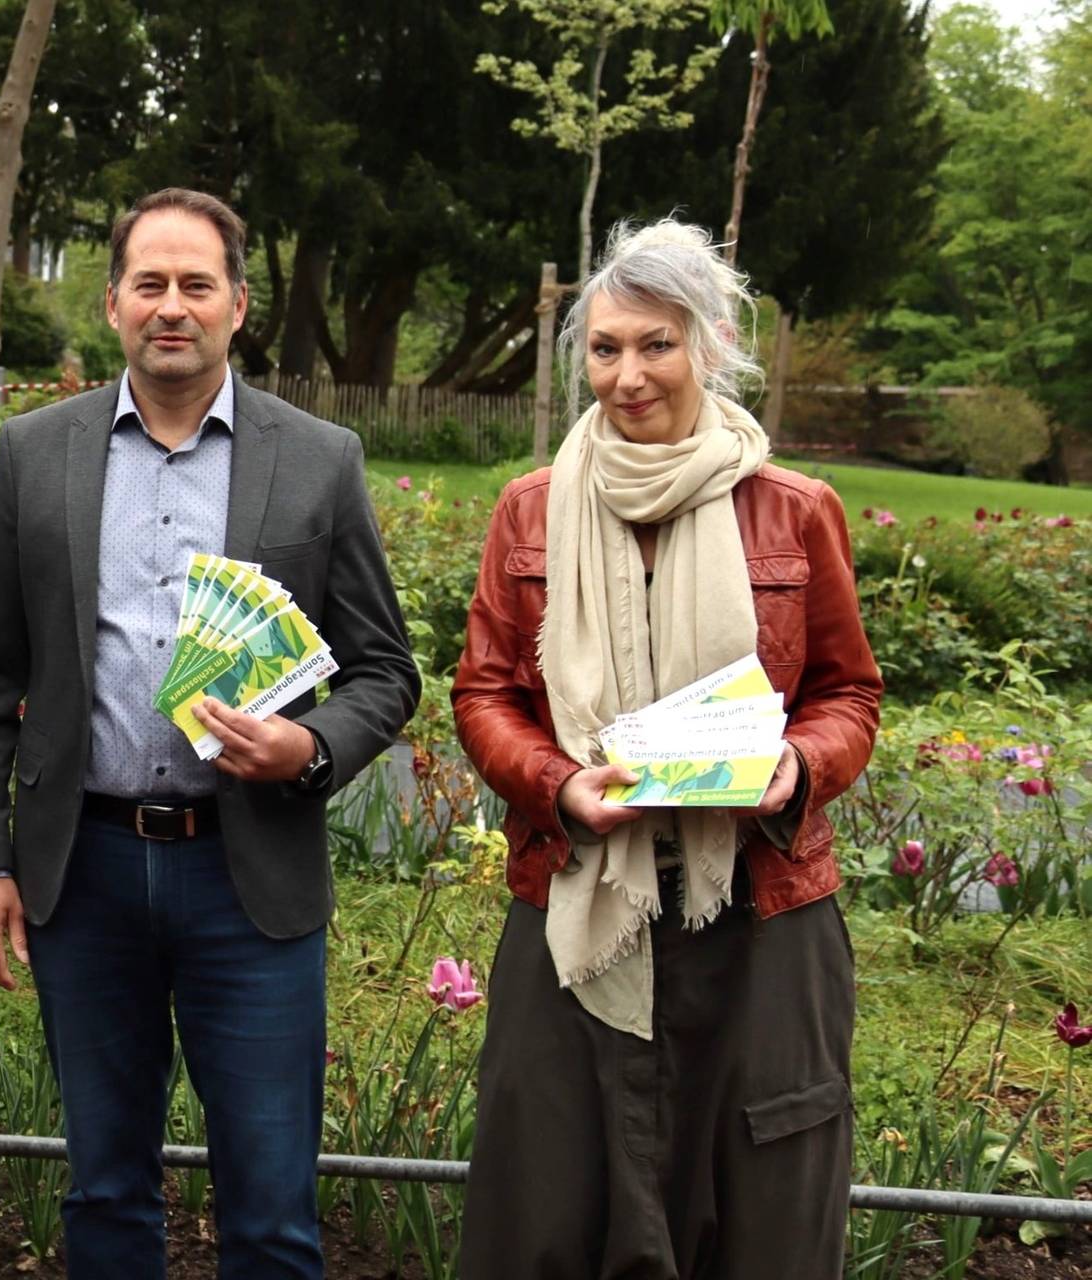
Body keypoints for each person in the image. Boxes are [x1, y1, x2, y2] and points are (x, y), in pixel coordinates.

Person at [0, 188, 419, 1278]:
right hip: (86, 869)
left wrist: (314, 747)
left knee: (271, 1204)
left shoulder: (319, 459)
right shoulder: (34, 452)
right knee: (105, 1189)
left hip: (247, 875)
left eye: (196, 284)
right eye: (148, 283)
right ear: (111, 303)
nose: (172, 306)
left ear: (238, 305)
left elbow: (386, 668)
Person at [450, 220, 881, 1278]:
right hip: (578, 895)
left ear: (710, 343)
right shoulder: (532, 511)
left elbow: (847, 690)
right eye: (605, 347)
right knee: (551, 1199)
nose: (628, 374)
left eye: (656, 344)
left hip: (758, 905)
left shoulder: (793, 510)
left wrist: (800, 766)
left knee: (758, 1205)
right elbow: (486, 691)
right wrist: (558, 784)